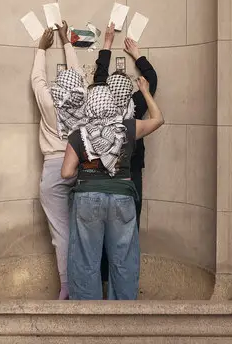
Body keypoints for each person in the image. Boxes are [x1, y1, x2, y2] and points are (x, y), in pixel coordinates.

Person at [62, 75, 164, 300]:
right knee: (124, 259)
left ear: (90, 104)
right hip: (122, 198)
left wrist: (87, 167)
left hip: (87, 199)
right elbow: (158, 119)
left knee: (86, 261)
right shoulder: (128, 127)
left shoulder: (79, 134)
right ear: (109, 100)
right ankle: (123, 320)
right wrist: (146, 92)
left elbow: (66, 173)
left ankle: (88, 318)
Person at [93, 23, 158, 287]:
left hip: (104, 177)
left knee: (103, 232)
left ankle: (104, 282)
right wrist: (137, 55)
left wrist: (107, 45)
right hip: (132, 177)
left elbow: (99, 77)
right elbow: (152, 78)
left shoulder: (101, 105)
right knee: (128, 232)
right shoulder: (137, 106)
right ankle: (126, 285)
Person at [31, 21, 85, 300]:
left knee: (61, 233)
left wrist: (42, 49)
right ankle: (86, 287)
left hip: (54, 168)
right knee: (86, 231)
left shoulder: (49, 102)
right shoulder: (84, 100)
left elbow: (37, 80)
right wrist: (67, 42)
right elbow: (77, 74)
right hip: (82, 167)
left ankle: (67, 287)